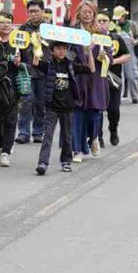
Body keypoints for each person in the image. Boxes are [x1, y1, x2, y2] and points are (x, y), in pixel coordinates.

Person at [33, 40, 95, 175]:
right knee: (47, 135)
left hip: (68, 107)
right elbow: (36, 63)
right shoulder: (49, 65)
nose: (61, 51)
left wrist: (89, 51)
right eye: (58, 48)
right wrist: (37, 47)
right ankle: (42, 163)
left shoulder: (71, 65)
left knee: (67, 136)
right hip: (51, 106)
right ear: (52, 50)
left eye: (64, 48)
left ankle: (66, 161)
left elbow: (91, 69)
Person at [70, 1, 111, 162]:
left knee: (95, 113)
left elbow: (110, 55)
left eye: (90, 12)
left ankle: (93, 137)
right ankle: (77, 150)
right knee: (78, 113)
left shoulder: (101, 32)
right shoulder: (72, 32)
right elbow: (67, 52)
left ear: (94, 14)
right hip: (78, 75)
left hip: (96, 78)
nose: (87, 15)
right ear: (78, 13)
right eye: (84, 12)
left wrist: (104, 57)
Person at [17, 0, 48, 144]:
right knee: (26, 102)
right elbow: (17, 47)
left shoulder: (49, 29)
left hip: (44, 71)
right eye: (30, 11)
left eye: (36, 11)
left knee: (41, 103)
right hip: (26, 71)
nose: (33, 14)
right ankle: (23, 133)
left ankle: (38, 132)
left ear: (43, 11)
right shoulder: (23, 29)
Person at [0, 11, 21, 167]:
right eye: (2, 21)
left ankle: (5, 152)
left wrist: (20, 62)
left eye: (8, 22)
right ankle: (1, 143)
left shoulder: (18, 42)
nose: (5, 24)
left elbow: (29, 63)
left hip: (12, 85)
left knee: (11, 119)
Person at [100, 12, 131, 146]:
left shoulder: (116, 38)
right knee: (97, 110)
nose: (101, 23)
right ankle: (97, 136)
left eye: (104, 20)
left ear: (109, 22)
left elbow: (127, 56)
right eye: (99, 20)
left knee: (113, 109)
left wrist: (113, 61)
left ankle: (113, 130)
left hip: (114, 79)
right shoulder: (90, 39)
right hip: (96, 80)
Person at [113, 6, 138, 104]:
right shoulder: (113, 27)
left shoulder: (132, 25)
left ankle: (135, 96)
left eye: (119, 18)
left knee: (131, 76)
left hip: (130, 52)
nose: (117, 20)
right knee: (119, 76)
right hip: (118, 53)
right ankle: (118, 98)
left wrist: (135, 41)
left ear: (124, 16)